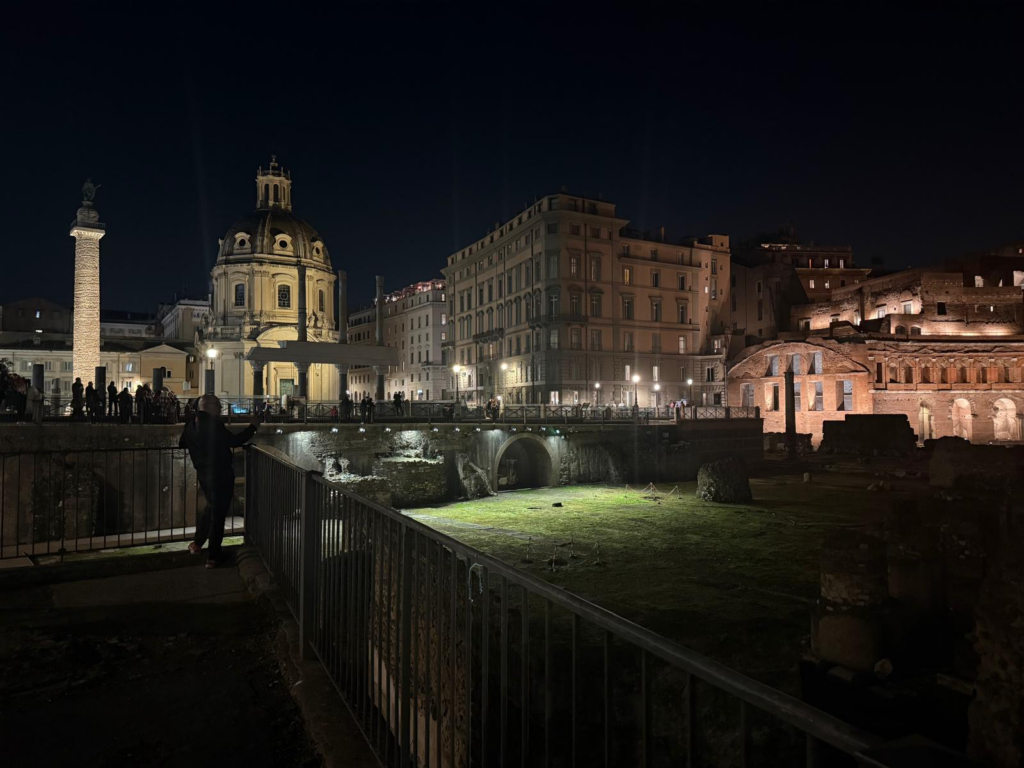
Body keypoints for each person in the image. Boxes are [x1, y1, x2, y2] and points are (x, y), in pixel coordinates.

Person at [179, 394, 260, 568]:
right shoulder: (213, 425)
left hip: (203, 474)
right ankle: (213, 557)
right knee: (218, 516)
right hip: (220, 475)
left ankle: (197, 544)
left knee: (211, 507)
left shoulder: (190, 426)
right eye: (217, 404)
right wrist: (253, 427)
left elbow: (182, 443)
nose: (220, 407)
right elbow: (234, 440)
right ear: (207, 406)